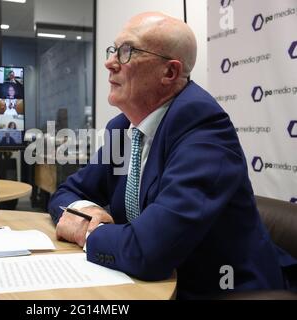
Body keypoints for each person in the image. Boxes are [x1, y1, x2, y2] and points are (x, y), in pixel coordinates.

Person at [48, 12, 297, 299]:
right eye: (114, 50)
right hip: (147, 283)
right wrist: (84, 214)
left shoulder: (204, 129)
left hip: (219, 289)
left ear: (169, 73)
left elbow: (150, 251)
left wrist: (86, 232)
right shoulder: (124, 128)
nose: (110, 62)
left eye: (127, 51)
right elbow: (67, 192)